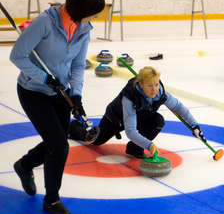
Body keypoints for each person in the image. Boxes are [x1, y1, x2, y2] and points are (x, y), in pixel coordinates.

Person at [10, 0, 105, 214]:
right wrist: (43, 77)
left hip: (60, 92)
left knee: (57, 142)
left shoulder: (83, 29)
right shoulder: (44, 23)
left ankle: (24, 165)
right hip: (33, 91)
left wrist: (76, 95)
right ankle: (52, 199)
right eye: (91, 13)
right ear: (79, 10)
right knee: (60, 146)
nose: (93, 19)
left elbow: (78, 64)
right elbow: (17, 55)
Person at [68, 66, 206, 160]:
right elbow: (131, 131)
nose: (154, 89)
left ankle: (134, 148)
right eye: (150, 85)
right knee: (95, 141)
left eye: (156, 84)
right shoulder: (130, 97)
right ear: (140, 84)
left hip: (141, 117)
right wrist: (149, 145)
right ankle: (74, 128)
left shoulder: (161, 94)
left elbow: (179, 107)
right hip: (116, 119)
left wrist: (195, 126)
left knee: (158, 120)